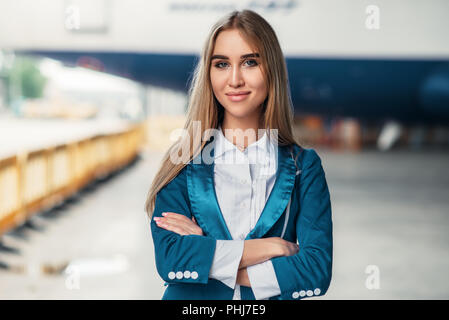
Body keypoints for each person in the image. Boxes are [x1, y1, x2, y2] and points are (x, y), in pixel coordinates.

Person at [145, 9, 332, 300]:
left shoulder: (303, 167)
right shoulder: (182, 160)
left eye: (249, 62)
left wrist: (209, 255)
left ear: (272, 71)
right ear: (209, 73)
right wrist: (268, 249)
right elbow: (171, 258)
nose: (234, 79)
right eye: (221, 64)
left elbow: (315, 269)